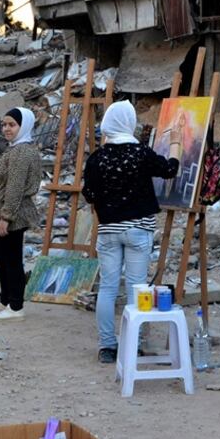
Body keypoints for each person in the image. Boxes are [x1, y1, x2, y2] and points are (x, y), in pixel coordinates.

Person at [82, 101, 179, 364]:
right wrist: (176, 145)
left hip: (109, 231)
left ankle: (107, 347)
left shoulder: (97, 158)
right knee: (137, 290)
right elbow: (170, 170)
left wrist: (107, 202)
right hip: (138, 229)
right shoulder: (140, 153)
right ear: (129, 122)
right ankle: (132, 343)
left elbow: (88, 193)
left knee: (108, 288)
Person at [0, 107, 41, 322]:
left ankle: (16, 306)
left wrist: (6, 217)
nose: (6, 129)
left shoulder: (22, 151)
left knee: (12, 259)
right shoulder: (14, 148)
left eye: (12, 125)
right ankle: (5, 299)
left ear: (23, 126)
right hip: (6, 210)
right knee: (0, 256)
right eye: (5, 124)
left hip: (14, 213)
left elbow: (15, 186)